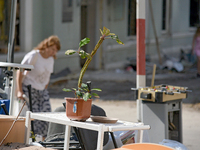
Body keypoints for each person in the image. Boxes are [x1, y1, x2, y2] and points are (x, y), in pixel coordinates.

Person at [16, 35, 61, 139]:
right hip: (29, 88)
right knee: (33, 118)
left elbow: (48, 75)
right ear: (46, 46)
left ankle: (43, 140)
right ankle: (31, 140)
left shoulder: (51, 59)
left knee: (47, 116)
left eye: (56, 50)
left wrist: (45, 87)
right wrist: (19, 91)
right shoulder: (34, 55)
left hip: (42, 90)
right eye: (52, 49)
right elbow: (20, 71)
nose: (53, 52)